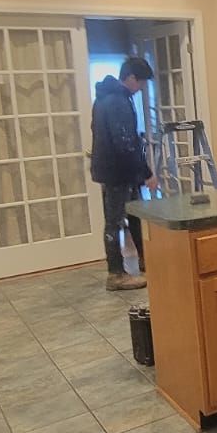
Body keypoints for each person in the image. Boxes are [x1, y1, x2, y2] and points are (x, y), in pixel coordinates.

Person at [90, 57, 157, 291]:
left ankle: (144, 259)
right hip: (117, 172)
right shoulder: (117, 101)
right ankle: (116, 274)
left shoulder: (103, 99)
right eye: (140, 83)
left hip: (117, 170)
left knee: (135, 216)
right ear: (130, 78)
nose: (141, 89)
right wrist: (147, 173)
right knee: (115, 222)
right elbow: (125, 143)